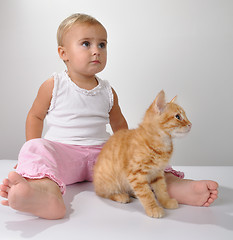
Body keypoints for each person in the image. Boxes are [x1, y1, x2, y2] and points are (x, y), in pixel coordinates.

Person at [0, 13, 218, 220]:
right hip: (63, 154)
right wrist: (33, 153)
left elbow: (119, 124)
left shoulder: (107, 91)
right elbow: (35, 117)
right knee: (35, 148)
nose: (96, 51)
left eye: (102, 45)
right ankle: (44, 194)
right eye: (86, 44)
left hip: (102, 155)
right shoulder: (54, 84)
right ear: (63, 53)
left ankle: (179, 188)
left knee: (143, 161)